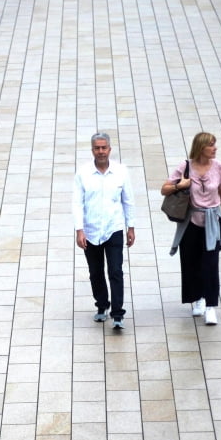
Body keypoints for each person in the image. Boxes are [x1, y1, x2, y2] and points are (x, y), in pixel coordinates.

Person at [160, 132, 221, 326]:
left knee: (210, 263)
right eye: (211, 145)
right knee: (190, 262)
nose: (215, 148)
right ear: (201, 148)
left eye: (215, 145)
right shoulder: (186, 166)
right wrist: (179, 185)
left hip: (212, 221)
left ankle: (210, 306)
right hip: (190, 222)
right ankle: (197, 299)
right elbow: (164, 189)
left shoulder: (219, 167)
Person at [73, 132, 136, 330]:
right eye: (97, 148)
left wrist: (130, 227)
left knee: (116, 270)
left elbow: (128, 200)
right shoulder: (83, 173)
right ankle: (102, 305)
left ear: (110, 149)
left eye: (104, 148)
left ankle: (118, 313)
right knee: (95, 272)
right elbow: (77, 203)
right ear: (92, 150)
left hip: (114, 227)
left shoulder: (121, 171)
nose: (101, 151)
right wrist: (79, 230)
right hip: (91, 230)